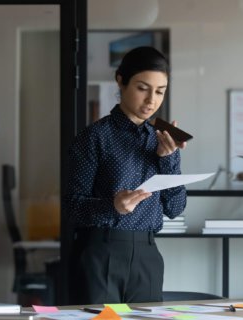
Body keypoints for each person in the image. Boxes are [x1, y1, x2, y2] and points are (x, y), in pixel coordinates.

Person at [63, 46, 187, 304]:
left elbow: (175, 208)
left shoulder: (163, 140)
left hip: (148, 254)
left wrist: (169, 159)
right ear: (121, 80)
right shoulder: (95, 137)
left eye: (160, 91)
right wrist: (113, 206)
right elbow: (72, 206)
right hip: (102, 251)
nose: (152, 100)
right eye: (143, 88)